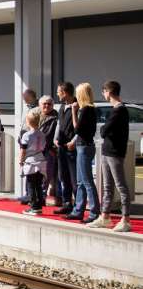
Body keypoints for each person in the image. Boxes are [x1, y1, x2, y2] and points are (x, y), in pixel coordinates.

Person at [88, 81, 132, 232]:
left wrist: (105, 130)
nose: (103, 95)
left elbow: (105, 130)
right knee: (107, 186)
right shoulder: (116, 110)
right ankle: (105, 216)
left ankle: (126, 219)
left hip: (114, 152)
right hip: (108, 151)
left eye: (104, 92)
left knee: (121, 186)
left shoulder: (119, 110)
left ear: (108, 91)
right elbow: (106, 130)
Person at [66, 82, 101, 222]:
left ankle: (93, 212)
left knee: (86, 181)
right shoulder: (90, 109)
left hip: (84, 147)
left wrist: (74, 112)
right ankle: (78, 210)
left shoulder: (86, 110)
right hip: (84, 146)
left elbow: (77, 129)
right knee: (81, 181)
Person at [54, 82, 77, 215]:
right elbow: (59, 124)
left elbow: (80, 128)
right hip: (61, 147)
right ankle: (67, 203)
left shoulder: (76, 106)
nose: (57, 94)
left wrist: (74, 141)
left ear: (65, 92)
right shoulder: (62, 107)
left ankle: (77, 206)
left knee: (74, 179)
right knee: (63, 176)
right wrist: (55, 139)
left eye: (59, 91)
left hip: (72, 148)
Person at [19, 111, 47, 215]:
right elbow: (44, 147)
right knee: (38, 184)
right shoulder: (42, 134)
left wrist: (20, 160)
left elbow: (23, 150)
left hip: (30, 161)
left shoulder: (26, 135)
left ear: (28, 122)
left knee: (31, 184)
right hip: (41, 159)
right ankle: (39, 205)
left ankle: (33, 206)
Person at [38, 96, 58, 206]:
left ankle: (42, 198)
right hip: (34, 151)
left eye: (49, 104)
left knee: (46, 176)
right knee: (34, 175)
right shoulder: (36, 116)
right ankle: (33, 196)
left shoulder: (55, 118)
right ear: (39, 105)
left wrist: (51, 149)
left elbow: (50, 136)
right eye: (44, 104)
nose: (46, 106)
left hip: (47, 151)